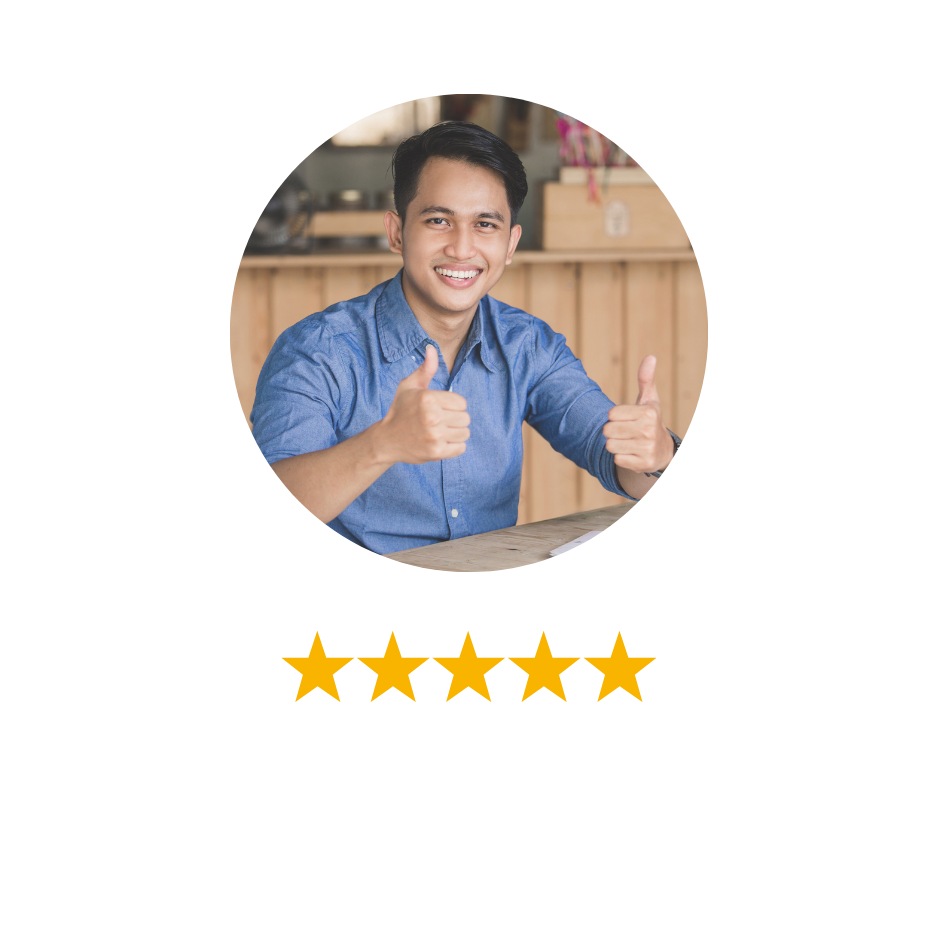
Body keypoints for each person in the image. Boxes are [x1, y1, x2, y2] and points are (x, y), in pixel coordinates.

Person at [252, 121, 683, 557]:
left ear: (510, 244)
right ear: (397, 232)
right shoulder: (318, 350)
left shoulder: (527, 345)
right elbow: (271, 502)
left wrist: (661, 458)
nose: (461, 248)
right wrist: (381, 445)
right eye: (438, 220)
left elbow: (612, 457)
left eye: (485, 224)